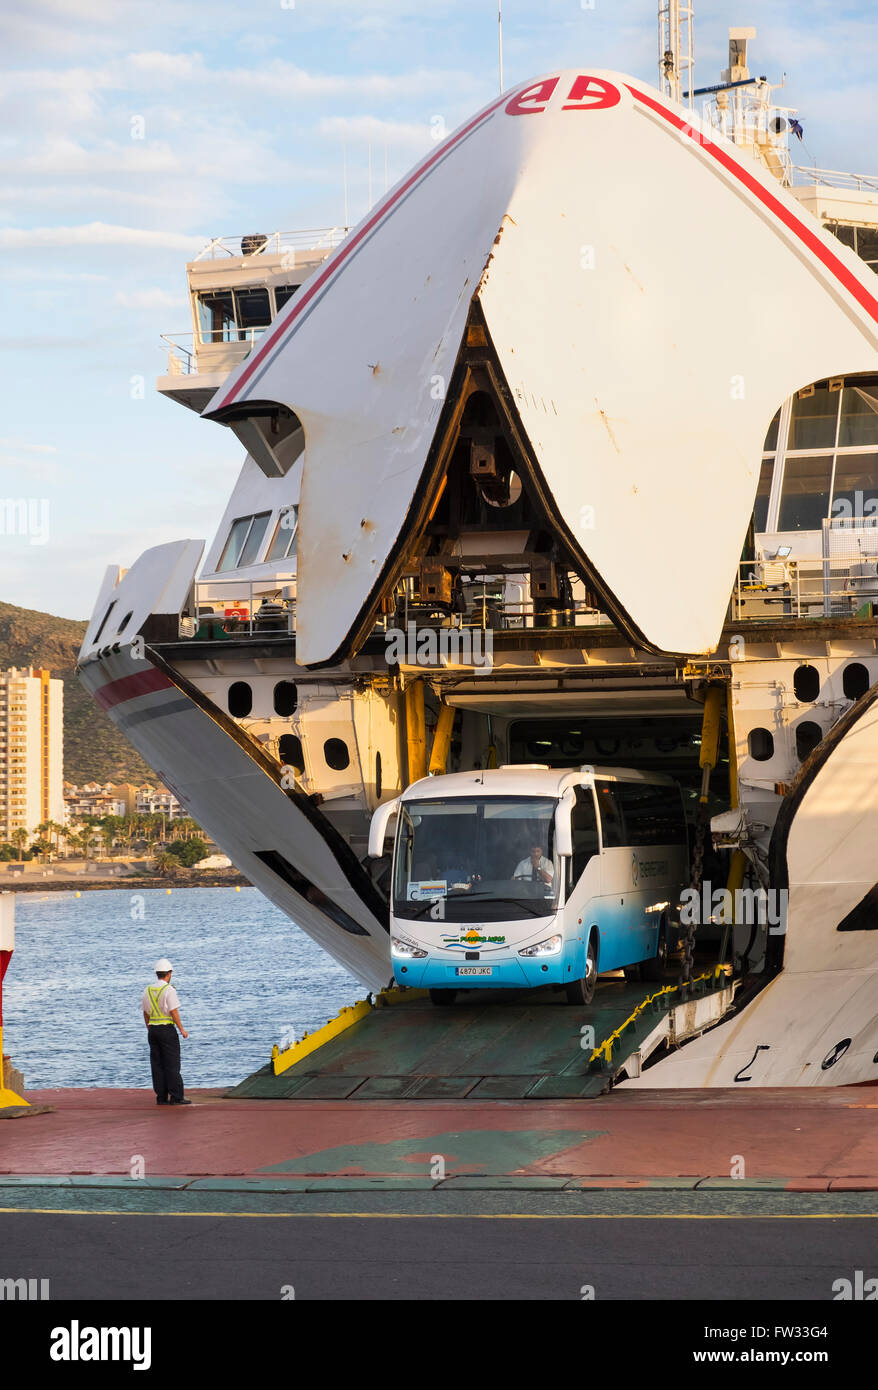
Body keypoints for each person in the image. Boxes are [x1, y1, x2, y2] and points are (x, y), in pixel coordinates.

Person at [141, 958, 191, 1106]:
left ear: (157, 973)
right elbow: (173, 1011)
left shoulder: (148, 990)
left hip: (153, 1030)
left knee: (157, 1064)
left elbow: (145, 1012)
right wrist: (182, 1029)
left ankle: (161, 1097)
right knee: (172, 1063)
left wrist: (149, 1027)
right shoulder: (169, 990)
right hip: (167, 1030)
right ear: (169, 974)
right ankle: (176, 1096)